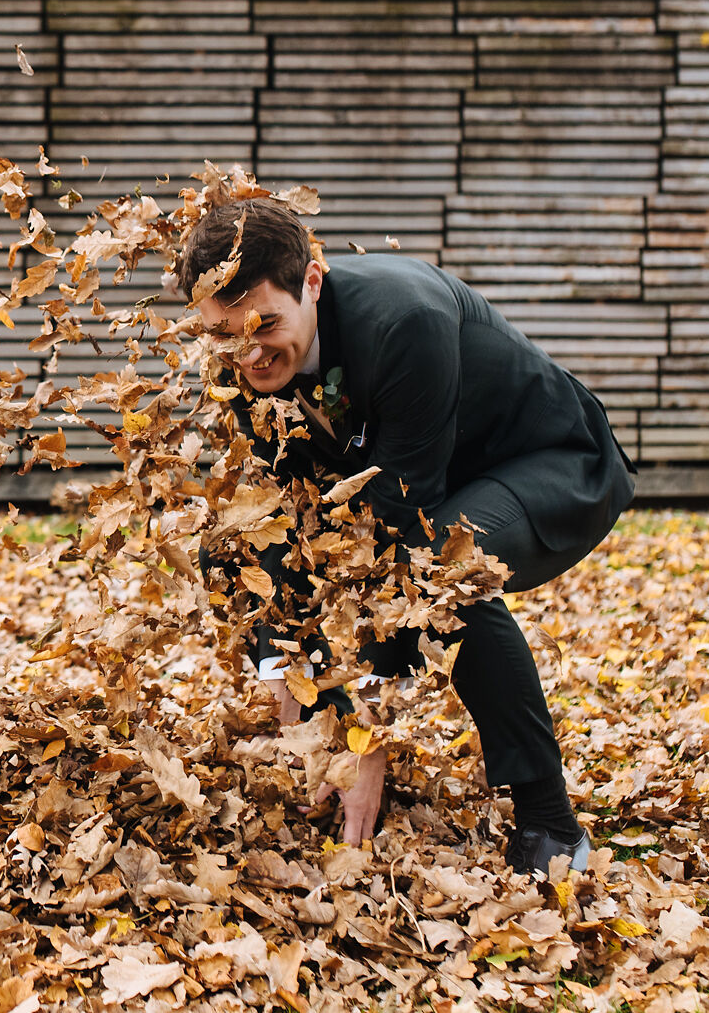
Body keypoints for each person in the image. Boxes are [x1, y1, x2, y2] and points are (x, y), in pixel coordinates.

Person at [179, 197, 635, 876]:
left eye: (263, 325)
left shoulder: (403, 320)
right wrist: (290, 676)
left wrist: (368, 737)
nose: (246, 353)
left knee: (442, 569)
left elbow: (396, 536)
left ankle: (550, 823)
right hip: (428, 486)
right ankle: (331, 762)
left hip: (546, 461)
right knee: (227, 542)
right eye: (223, 334)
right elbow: (282, 507)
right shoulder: (243, 359)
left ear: (312, 280)